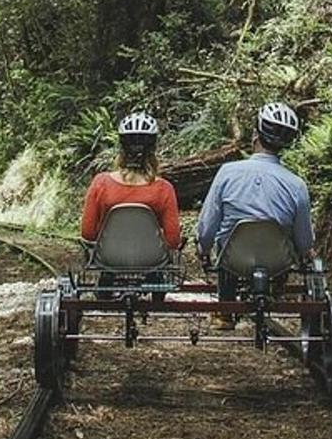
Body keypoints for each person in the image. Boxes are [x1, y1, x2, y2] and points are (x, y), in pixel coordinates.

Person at [197, 102, 312, 329]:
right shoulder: (297, 185)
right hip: (277, 261)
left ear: (255, 134)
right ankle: (275, 290)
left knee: (225, 237)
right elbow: (304, 241)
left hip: (233, 260)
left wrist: (203, 249)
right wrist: (306, 253)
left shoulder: (227, 173)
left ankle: (225, 309)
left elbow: (208, 226)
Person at [81, 111, 181, 249]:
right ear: (153, 149)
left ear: (121, 148)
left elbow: (88, 233)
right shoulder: (164, 189)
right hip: (152, 261)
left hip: (109, 259)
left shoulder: (101, 183)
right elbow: (173, 240)